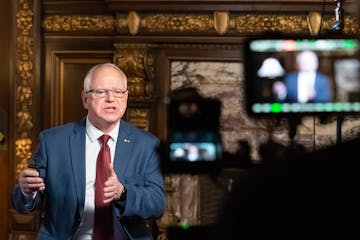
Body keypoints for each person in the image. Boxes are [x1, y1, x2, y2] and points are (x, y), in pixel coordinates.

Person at [11, 63, 167, 240]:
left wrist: (123, 193)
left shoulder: (146, 144)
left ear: (126, 98)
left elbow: (157, 204)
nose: (110, 98)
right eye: (100, 92)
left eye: (118, 92)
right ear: (85, 99)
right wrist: (27, 192)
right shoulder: (53, 141)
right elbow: (23, 203)